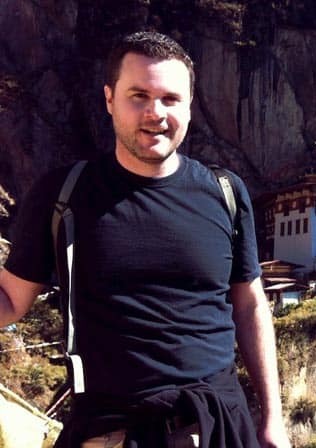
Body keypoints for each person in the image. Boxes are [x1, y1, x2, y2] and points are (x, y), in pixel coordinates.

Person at [0, 32, 291, 448]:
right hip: (110, 430)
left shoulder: (225, 193)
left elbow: (248, 304)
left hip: (216, 427)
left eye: (170, 98)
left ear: (189, 106)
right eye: (138, 95)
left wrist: (272, 420)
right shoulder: (64, 194)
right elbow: (10, 299)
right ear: (109, 99)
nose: (155, 113)